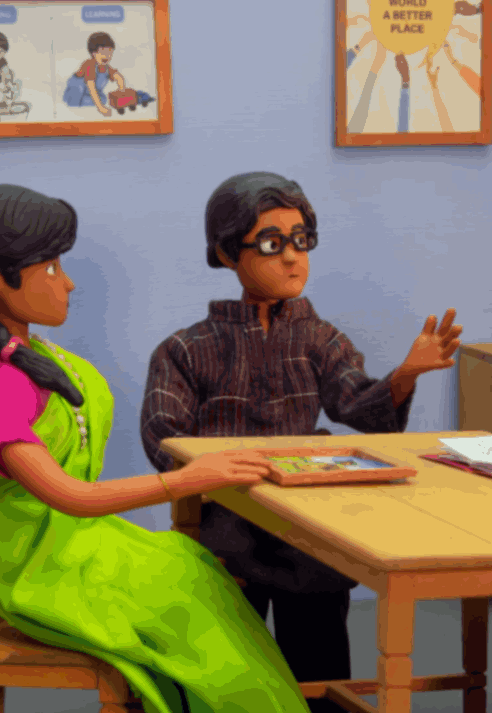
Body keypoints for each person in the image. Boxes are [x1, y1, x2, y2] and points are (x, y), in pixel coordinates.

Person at [0, 183, 311, 713]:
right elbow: (68, 496)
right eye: (50, 268)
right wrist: (184, 481)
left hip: (82, 548)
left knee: (191, 565)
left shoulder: (36, 361)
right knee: (185, 595)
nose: (66, 282)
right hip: (44, 573)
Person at [140, 171, 462, 713]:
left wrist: (404, 375)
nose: (292, 258)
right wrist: (222, 465)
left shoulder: (319, 338)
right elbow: (164, 438)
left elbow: (356, 404)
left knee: (320, 651)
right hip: (227, 519)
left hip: (309, 521)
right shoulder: (185, 350)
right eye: (271, 243)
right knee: (227, 654)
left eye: (301, 240)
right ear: (225, 252)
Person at [62, 32, 128, 116]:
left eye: (110, 53)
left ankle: (85, 101)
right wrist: (100, 108)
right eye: (103, 52)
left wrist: (121, 88)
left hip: (89, 92)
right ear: (93, 53)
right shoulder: (90, 64)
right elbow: (91, 86)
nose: (107, 56)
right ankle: (70, 100)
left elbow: (118, 77)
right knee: (77, 97)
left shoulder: (107, 67)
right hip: (77, 90)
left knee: (103, 99)